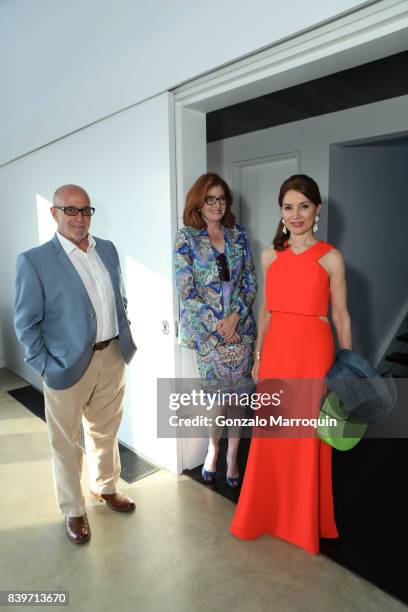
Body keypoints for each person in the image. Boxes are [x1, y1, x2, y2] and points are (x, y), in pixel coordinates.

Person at [231, 174, 352, 555]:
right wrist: (258, 354)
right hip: (277, 353)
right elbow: (265, 311)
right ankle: (265, 512)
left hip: (313, 353)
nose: (296, 214)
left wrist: (346, 367)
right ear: (280, 212)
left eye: (304, 206)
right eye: (288, 207)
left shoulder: (331, 257)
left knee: (304, 439)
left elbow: (341, 316)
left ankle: (301, 523)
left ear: (317, 209)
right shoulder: (270, 255)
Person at [14, 184, 137, 545]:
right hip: (65, 366)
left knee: (105, 430)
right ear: (54, 213)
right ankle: (73, 509)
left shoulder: (108, 249)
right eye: (70, 210)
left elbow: (117, 297)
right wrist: (44, 365)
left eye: (84, 210)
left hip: (112, 355)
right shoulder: (34, 260)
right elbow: (25, 322)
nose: (79, 218)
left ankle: (106, 487)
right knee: (65, 441)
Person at [174, 173, 257, 487]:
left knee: (241, 399)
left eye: (222, 198)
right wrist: (219, 324)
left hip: (242, 330)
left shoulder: (239, 235)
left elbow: (250, 280)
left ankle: (233, 456)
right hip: (210, 336)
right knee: (219, 399)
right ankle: (214, 449)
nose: (217, 204)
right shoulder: (187, 238)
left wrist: (235, 316)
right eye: (210, 198)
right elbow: (186, 290)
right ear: (199, 201)